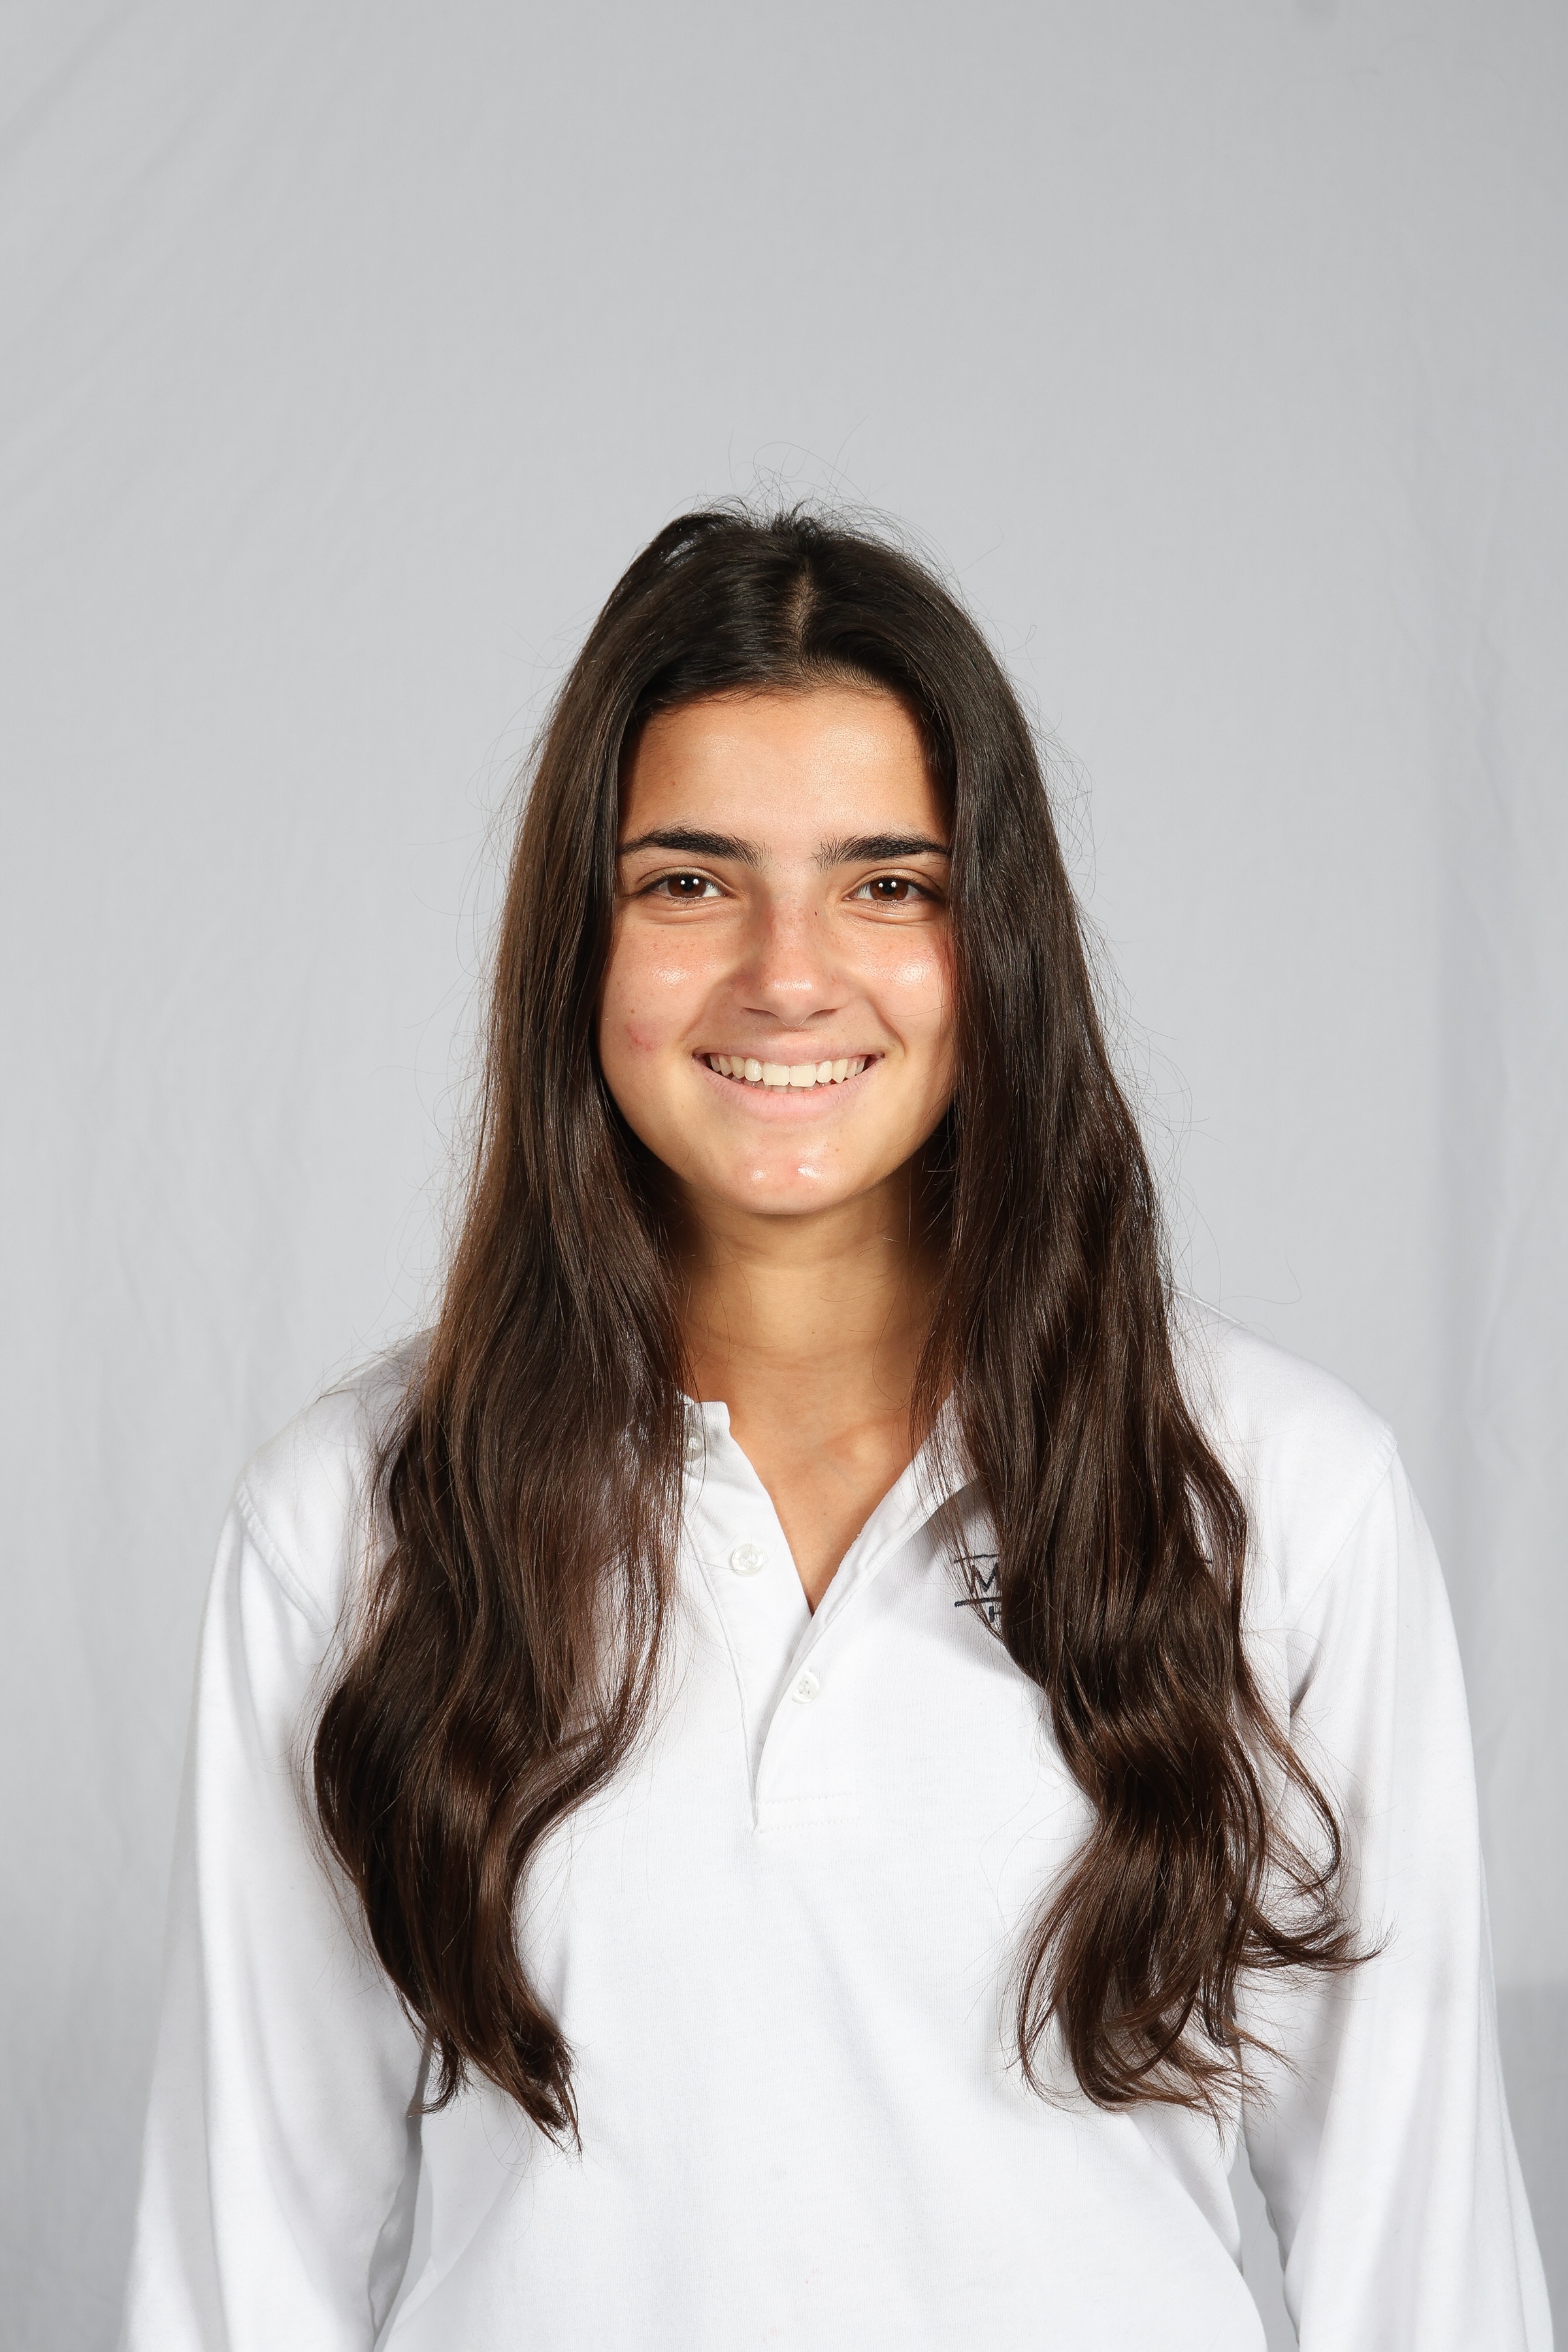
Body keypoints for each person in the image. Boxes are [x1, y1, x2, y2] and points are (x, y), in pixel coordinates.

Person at [120, 507, 1550, 2351]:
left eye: (887, 884)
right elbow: (243, 2279)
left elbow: (1425, 2271)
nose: (788, 974)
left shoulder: (1278, 1501)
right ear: (579, 948)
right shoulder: (355, 1521)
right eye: (688, 883)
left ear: (997, 942)